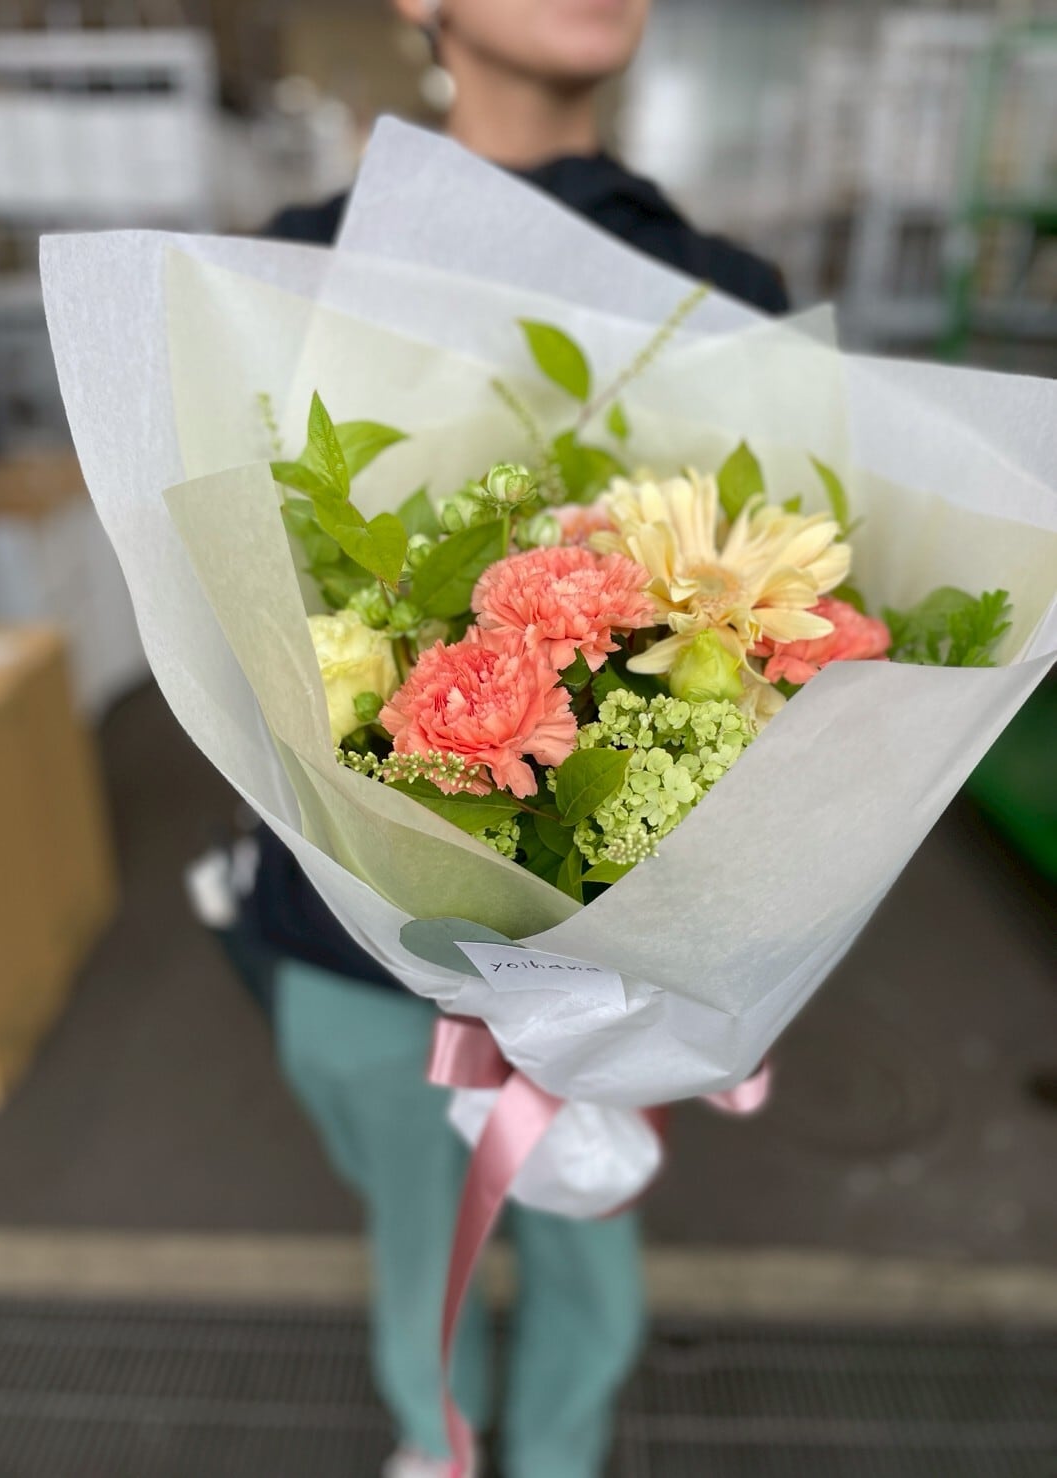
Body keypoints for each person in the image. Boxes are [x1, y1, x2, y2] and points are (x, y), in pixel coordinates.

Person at [253, 4, 789, 1475]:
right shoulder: (298, 262)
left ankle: (554, 1454)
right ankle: (433, 1441)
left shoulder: (721, 291)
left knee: (586, 1248)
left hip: (610, 950)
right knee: (408, 1234)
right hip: (349, 928)